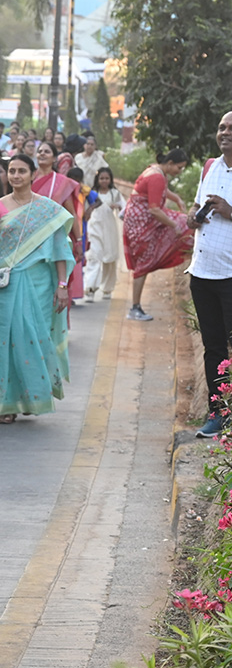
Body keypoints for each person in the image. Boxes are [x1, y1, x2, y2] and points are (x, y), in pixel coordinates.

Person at [0, 153, 75, 424]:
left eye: (21, 171)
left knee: (34, 339)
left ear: (32, 175)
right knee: (3, 342)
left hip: (40, 283)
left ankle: (31, 397)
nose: (16, 175)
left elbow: (61, 250)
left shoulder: (48, 209)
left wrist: (62, 285)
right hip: (3, 285)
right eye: (12, 171)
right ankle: (6, 405)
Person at [188, 112, 232, 437]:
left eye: (231, 128)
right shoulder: (210, 166)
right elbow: (195, 206)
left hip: (230, 276)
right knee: (213, 347)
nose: (225, 133)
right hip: (202, 274)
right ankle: (218, 413)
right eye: (221, 127)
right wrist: (194, 216)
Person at [123, 149, 193, 321]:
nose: (180, 171)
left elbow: (160, 191)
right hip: (143, 224)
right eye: (179, 167)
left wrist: (176, 198)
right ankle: (135, 307)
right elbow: (154, 209)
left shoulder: (155, 171)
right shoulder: (157, 176)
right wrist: (173, 225)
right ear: (169, 163)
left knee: (185, 224)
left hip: (140, 221)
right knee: (144, 265)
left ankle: (136, 307)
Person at [31, 141, 83, 303]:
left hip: (53, 238)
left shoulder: (62, 182)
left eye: (47, 151)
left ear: (54, 158)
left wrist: (79, 240)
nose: (42, 154)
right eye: (40, 151)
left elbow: (71, 213)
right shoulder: (27, 177)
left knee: (52, 281)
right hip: (28, 237)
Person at [83, 167, 125, 302]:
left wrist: (117, 206)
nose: (104, 181)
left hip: (110, 228)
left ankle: (107, 288)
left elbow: (124, 208)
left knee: (110, 259)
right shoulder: (92, 193)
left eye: (107, 178)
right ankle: (90, 288)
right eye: (102, 178)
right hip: (94, 227)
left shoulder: (115, 193)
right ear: (97, 179)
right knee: (94, 256)